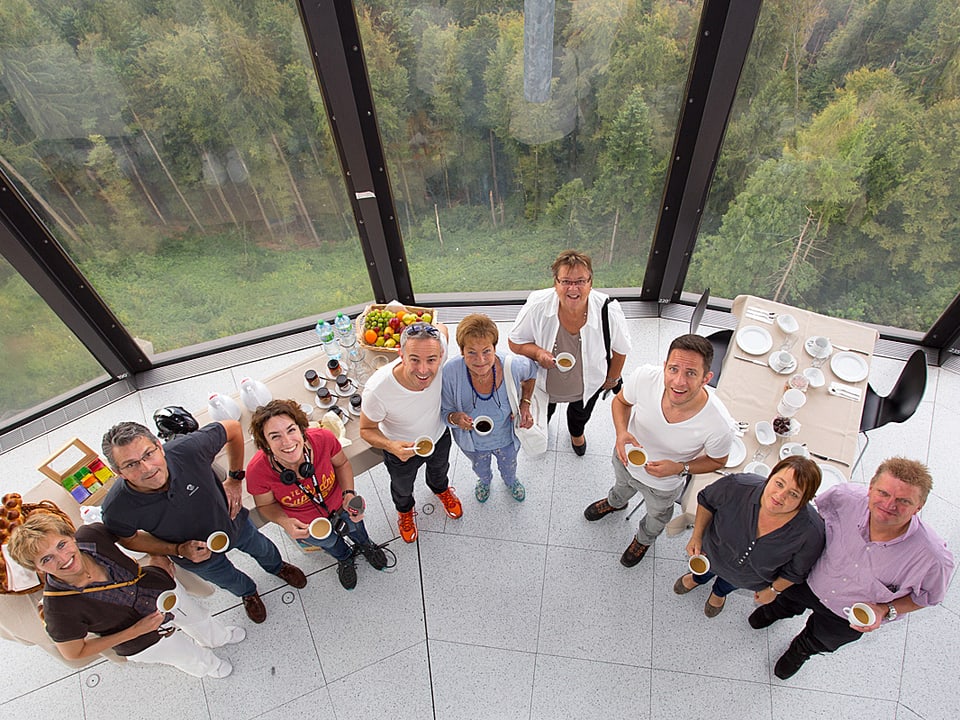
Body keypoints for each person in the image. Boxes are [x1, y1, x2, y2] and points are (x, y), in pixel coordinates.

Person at [749, 457, 954, 679]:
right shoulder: (843, 497)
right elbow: (811, 521)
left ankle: (801, 651)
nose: (889, 505)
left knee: (820, 638)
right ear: (870, 488)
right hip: (808, 580)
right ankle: (775, 612)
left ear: (919, 507)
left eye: (903, 501)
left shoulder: (934, 559)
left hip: (847, 616)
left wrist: (885, 610)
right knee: (785, 602)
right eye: (883, 493)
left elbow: (926, 598)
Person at [100, 420, 307, 624]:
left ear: (159, 446)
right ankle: (248, 593)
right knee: (228, 579)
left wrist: (235, 478)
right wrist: (177, 549)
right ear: (119, 472)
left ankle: (278, 567)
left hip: (232, 523)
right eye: (131, 464)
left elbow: (233, 429)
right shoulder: (116, 509)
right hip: (195, 557)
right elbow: (128, 539)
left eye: (148, 454)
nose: (146, 468)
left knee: (263, 548)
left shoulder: (187, 450)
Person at [7, 513, 244, 678]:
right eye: (46, 559)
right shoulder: (57, 609)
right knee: (184, 655)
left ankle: (216, 637)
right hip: (140, 640)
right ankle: (209, 666)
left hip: (159, 588)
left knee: (197, 617)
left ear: (71, 537)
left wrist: (161, 554)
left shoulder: (91, 535)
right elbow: (73, 653)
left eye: (61, 544)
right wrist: (135, 631)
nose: (62, 559)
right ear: (38, 569)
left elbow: (132, 538)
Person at [583, 334, 735, 567]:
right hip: (626, 461)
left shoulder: (719, 424)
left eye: (691, 373)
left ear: (707, 378)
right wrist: (622, 432)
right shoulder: (645, 377)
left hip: (664, 484)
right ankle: (615, 502)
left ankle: (643, 539)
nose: (679, 382)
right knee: (621, 487)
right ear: (665, 367)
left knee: (657, 516)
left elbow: (718, 460)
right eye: (673, 369)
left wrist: (681, 467)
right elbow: (621, 402)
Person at [246, 399, 388, 590]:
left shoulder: (323, 438)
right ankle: (344, 558)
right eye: (275, 436)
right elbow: (265, 505)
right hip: (308, 525)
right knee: (331, 545)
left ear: (301, 429)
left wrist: (348, 493)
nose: (287, 442)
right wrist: (285, 522)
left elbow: (342, 464)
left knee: (358, 530)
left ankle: (365, 545)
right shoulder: (257, 472)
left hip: (342, 505)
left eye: (291, 430)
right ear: (265, 444)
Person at [508, 250, 631, 456]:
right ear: (555, 283)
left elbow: (621, 350)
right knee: (544, 414)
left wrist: (612, 378)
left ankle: (576, 433)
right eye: (566, 281)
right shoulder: (538, 304)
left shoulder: (608, 310)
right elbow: (515, 341)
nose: (573, 288)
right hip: (544, 384)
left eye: (580, 281)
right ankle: (542, 432)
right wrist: (538, 353)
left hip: (588, 383)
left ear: (591, 283)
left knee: (580, 414)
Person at [675, 457, 825, 617]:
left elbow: (795, 572)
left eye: (793, 494)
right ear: (770, 476)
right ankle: (697, 579)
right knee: (704, 570)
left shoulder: (811, 533)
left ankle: (719, 593)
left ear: (804, 500)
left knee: (731, 583)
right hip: (712, 554)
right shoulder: (737, 486)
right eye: (779, 483)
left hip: (749, 577)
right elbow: (706, 500)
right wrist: (696, 536)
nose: (780, 496)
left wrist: (774, 590)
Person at [360, 322, 462, 542]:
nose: (424, 370)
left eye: (431, 360)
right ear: (401, 354)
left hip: (438, 436)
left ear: (441, 354)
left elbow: (442, 327)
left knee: (440, 471)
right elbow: (366, 430)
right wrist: (390, 446)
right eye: (414, 359)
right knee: (402, 487)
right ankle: (405, 511)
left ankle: (440, 489)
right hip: (401, 451)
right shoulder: (377, 390)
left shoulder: (438, 348)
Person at [441, 313, 538, 503]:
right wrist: (455, 419)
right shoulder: (450, 373)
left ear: (495, 348)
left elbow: (532, 373)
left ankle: (510, 481)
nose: (481, 360)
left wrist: (525, 404)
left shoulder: (513, 365)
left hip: (507, 439)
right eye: (471, 352)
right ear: (461, 351)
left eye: (486, 351)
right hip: (473, 445)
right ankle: (484, 481)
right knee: (480, 468)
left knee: (509, 465)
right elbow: (444, 414)